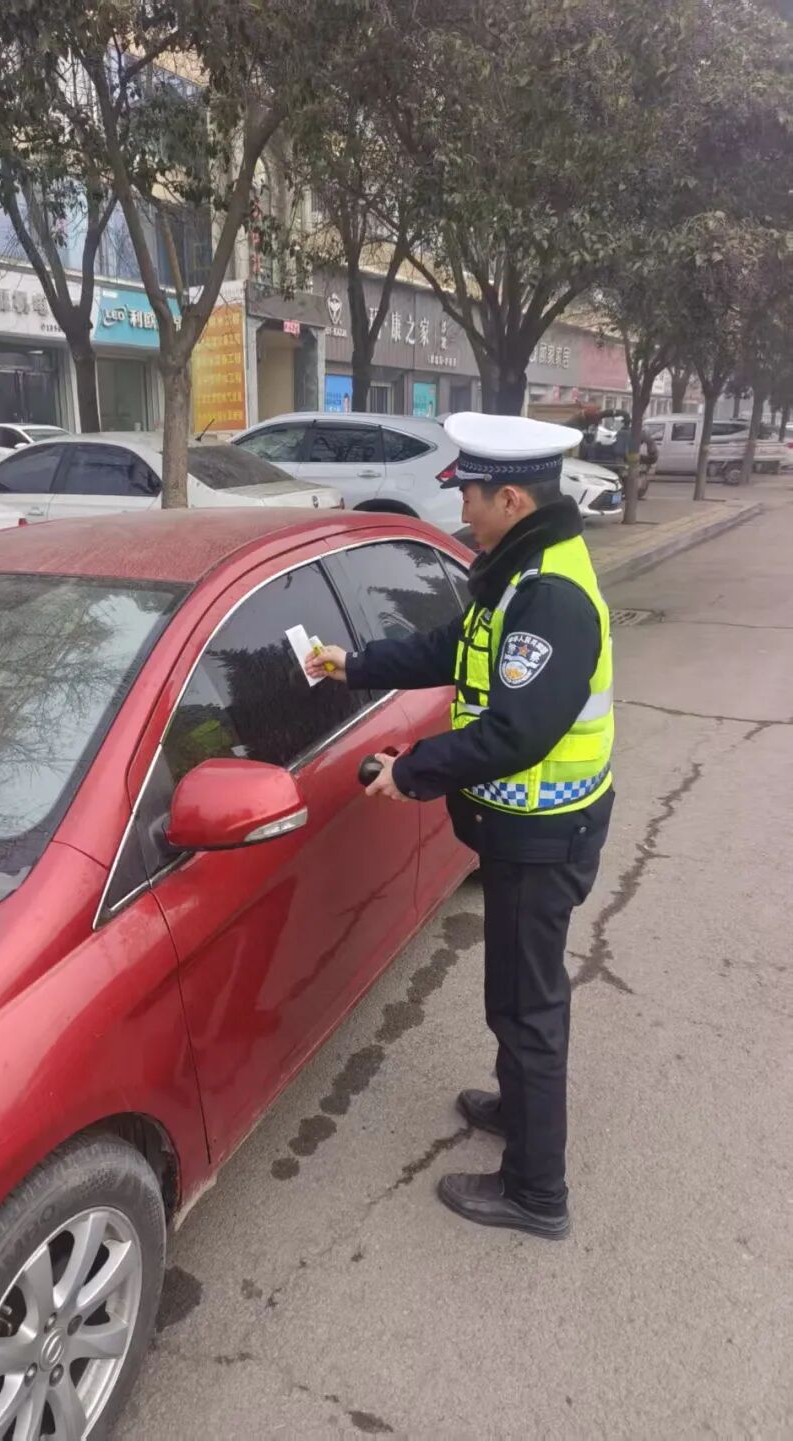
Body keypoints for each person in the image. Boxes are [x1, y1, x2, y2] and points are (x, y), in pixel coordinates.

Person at [306, 413, 614, 1240]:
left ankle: (535, 1192)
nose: (462, 514)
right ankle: (518, 1111)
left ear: (511, 496)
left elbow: (518, 731)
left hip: (546, 837)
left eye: (470, 497)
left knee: (528, 1009)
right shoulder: (521, 568)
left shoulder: (550, 595)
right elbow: (458, 648)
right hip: (528, 832)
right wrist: (358, 664)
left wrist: (411, 771)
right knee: (514, 995)